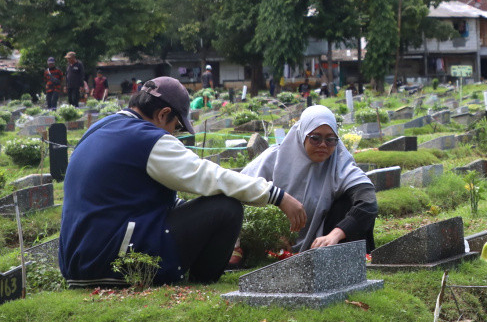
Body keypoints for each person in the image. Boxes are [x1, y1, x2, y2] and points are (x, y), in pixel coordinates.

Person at [58, 78, 306, 288]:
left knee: (193, 206)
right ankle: (201, 283)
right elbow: (209, 175)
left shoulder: (101, 127)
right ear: (163, 114)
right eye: (176, 127)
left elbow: (136, 196)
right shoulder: (148, 138)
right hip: (113, 262)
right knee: (225, 208)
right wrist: (275, 195)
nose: (174, 134)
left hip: (79, 261)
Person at [241, 105, 378, 256]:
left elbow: (368, 203)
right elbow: (240, 190)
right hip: (270, 242)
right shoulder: (274, 159)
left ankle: (347, 260)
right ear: (302, 135)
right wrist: (273, 231)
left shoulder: (339, 163)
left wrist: (335, 234)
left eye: (330, 139)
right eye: (315, 138)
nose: (323, 145)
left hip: (321, 243)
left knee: (349, 203)